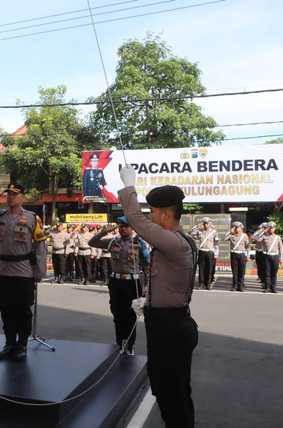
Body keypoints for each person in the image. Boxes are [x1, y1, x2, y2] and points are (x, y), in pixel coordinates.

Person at [119, 164, 199, 427]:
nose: (150, 217)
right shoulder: (170, 242)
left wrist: (129, 186)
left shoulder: (174, 241)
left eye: (152, 212)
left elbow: (135, 220)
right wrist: (149, 300)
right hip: (164, 323)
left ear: (165, 215)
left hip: (171, 327)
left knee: (173, 395)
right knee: (167, 391)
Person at [0, 183, 47, 361]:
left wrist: (39, 271)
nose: (11, 197)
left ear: (23, 198)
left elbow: (40, 247)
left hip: (24, 271)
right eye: (8, 194)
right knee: (6, 310)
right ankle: (9, 343)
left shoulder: (32, 218)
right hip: (3, 270)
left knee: (23, 311)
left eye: (15, 194)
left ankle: (21, 344)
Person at [90, 216, 150, 354]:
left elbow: (147, 266)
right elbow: (92, 242)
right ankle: (120, 343)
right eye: (120, 226)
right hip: (116, 282)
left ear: (131, 228)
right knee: (117, 314)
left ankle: (129, 345)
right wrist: (104, 231)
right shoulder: (112, 241)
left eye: (126, 226)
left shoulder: (138, 243)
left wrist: (147, 284)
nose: (123, 229)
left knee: (130, 315)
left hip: (132, 283)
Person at [251, 222, 283, 293]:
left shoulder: (278, 237)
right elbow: (256, 239)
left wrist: (281, 258)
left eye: (272, 228)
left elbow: (281, 248)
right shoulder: (264, 236)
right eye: (269, 228)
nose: (271, 229)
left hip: (275, 256)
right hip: (266, 256)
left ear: (274, 229)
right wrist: (262, 231)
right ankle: (267, 287)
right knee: (267, 272)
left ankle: (273, 287)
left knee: (274, 273)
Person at [188, 217, 219, 290]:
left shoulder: (214, 232)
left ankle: (208, 284)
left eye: (207, 223)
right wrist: (196, 227)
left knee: (209, 268)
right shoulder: (199, 231)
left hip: (210, 251)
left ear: (210, 223)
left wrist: (216, 253)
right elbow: (189, 233)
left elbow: (216, 243)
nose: (205, 225)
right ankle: (201, 284)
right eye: (204, 223)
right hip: (202, 251)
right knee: (201, 268)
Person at [223, 222, 250, 291]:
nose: (236, 229)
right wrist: (229, 231)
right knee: (234, 271)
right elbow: (224, 238)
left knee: (241, 271)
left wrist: (248, 256)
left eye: (237, 227)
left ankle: (240, 286)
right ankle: (234, 286)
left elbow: (247, 246)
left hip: (241, 254)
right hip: (234, 254)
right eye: (235, 227)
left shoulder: (244, 236)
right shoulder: (231, 235)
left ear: (241, 228)